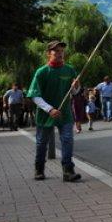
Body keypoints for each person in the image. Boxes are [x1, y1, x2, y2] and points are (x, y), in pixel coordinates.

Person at [26, 40, 81, 182]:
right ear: (48, 54)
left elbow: (74, 92)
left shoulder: (69, 70)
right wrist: (49, 109)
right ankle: (39, 169)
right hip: (45, 115)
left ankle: (68, 171)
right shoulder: (42, 72)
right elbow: (34, 95)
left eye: (62, 51)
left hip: (65, 114)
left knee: (67, 140)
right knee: (41, 142)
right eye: (56, 51)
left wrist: (76, 87)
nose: (60, 54)